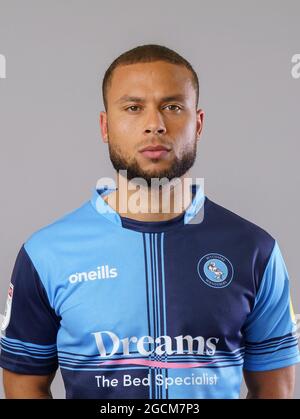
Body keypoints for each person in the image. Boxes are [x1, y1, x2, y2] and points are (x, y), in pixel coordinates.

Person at [0, 44, 299, 399]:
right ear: (105, 126)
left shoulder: (255, 251)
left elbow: (275, 387)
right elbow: (24, 382)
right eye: (133, 108)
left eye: (172, 107)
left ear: (198, 123)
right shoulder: (45, 255)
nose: (154, 125)